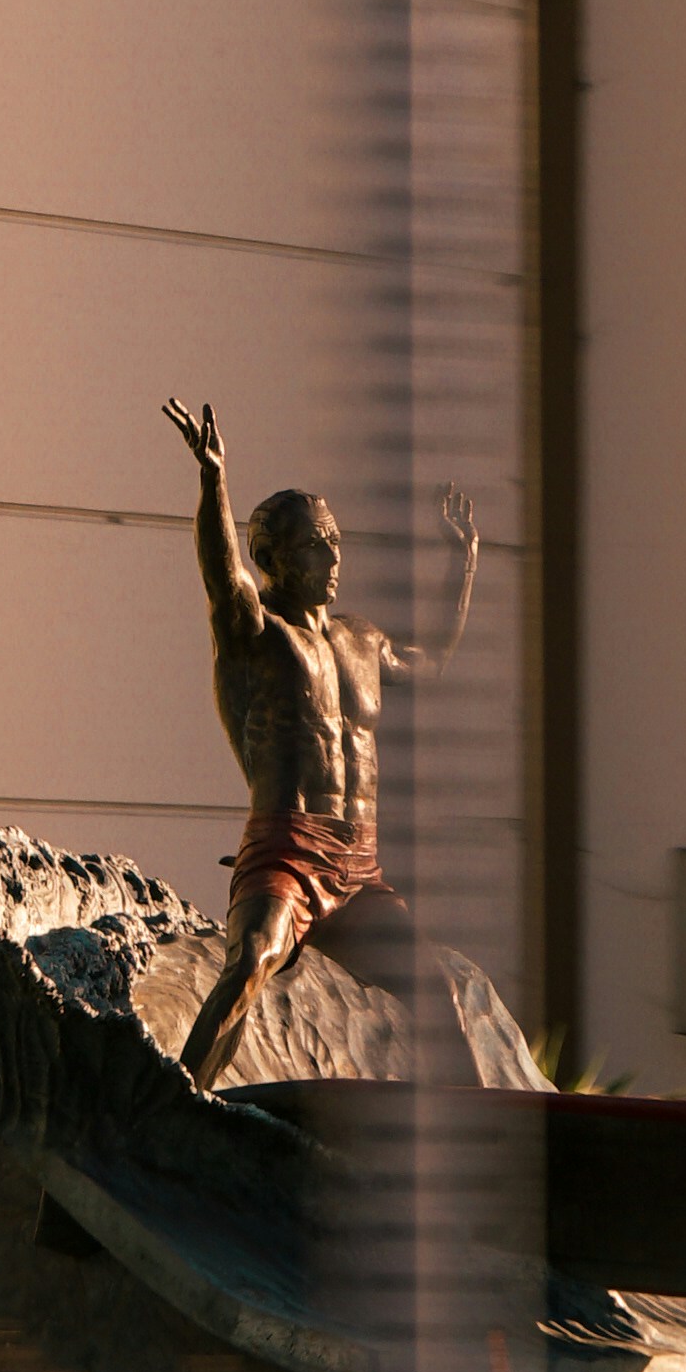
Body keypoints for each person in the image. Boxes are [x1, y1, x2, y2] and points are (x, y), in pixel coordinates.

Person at [160, 392, 476, 1087]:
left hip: (360, 869)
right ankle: (172, 1109)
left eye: (334, 538)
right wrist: (214, 479)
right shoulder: (257, 636)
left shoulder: (362, 640)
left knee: (442, 997)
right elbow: (221, 576)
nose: (331, 552)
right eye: (311, 542)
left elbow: (432, 664)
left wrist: (463, 565)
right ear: (272, 556)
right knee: (249, 963)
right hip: (287, 851)